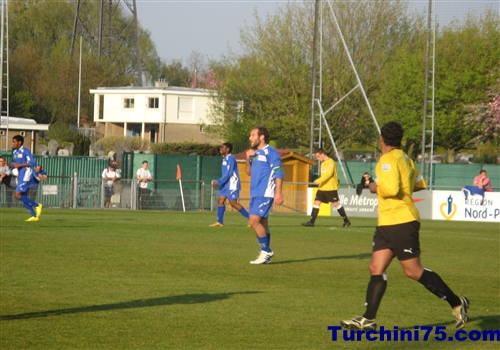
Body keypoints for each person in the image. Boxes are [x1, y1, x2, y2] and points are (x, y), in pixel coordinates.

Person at [340, 121, 469, 331]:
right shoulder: (406, 158)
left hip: (400, 221)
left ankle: (456, 302)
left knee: (413, 271)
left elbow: (389, 189)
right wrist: (397, 188)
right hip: (387, 222)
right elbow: (420, 184)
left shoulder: (387, 160)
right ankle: (368, 318)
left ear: (381, 139)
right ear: (400, 140)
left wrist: (371, 186)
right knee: (376, 267)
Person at [245, 126, 284, 264]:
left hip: (266, 192)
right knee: (262, 223)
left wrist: (278, 192)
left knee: (253, 221)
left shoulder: (271, 152)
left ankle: (266, 251)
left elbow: (279, 173)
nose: (250, 138)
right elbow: (248, 172)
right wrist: (248, 159)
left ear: (262, 137)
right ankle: (266, 254)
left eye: (253, 135)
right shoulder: (255, 153)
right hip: (255, 193)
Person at [302, 148, 351, 228]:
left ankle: (346, 221)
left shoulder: (331, 162)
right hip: (322, 188)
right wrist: (320, 182)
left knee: (336, 204)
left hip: (330, 188)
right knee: (316, 203)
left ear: (322, 154)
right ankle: (311, 222)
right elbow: (324, 175)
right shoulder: (322, 164)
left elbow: (328, 174)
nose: (317, 159)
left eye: (318, 156)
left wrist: (318, 180)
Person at [210, 142, 249, 227]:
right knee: (220, 200)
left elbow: (229, 173)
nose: (220, 149)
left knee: (233, 203)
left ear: (227, 149)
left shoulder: (231, 158)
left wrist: (218, 182)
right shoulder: (225, 159)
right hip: (225, 184)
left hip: (232, 184)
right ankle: (220, 222)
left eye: (222, 147)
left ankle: (251, 219)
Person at [11, 135, 43, 221]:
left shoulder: (25, 151)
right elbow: (15, 164)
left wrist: (20, 165)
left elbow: (32, 163)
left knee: (17, 195)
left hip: (25, 174)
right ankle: (34, 216)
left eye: (14, 141)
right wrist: (8, 165)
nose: (13, 143)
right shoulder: (14, 152)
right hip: (20, 174)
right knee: (23, 196)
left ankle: (37, 205)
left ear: (19, 142)